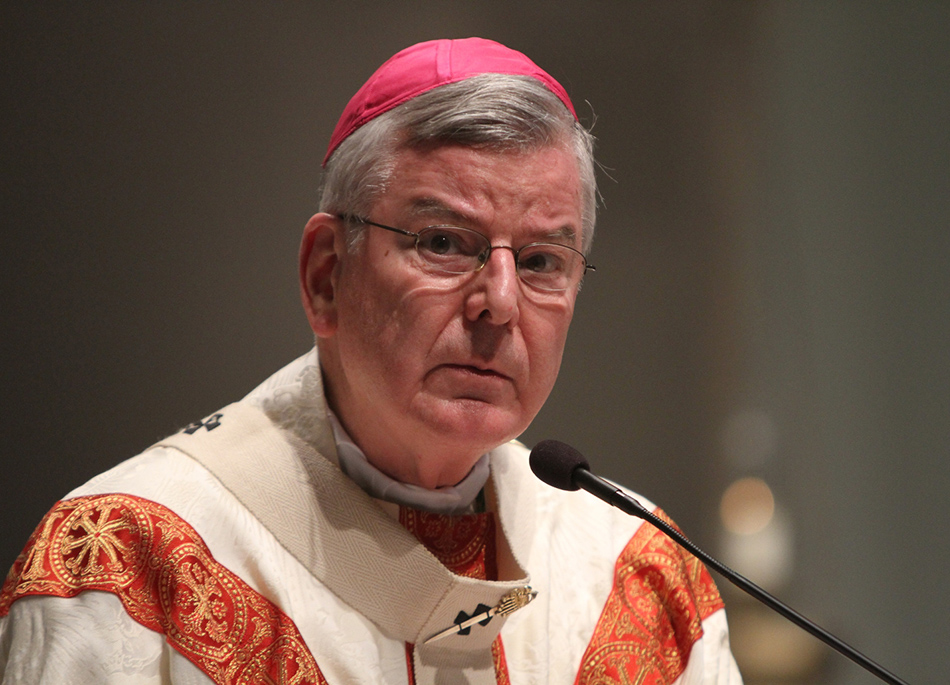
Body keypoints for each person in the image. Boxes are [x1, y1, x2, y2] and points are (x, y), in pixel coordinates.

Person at [0, 38, 741, 684]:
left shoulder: (638, 574)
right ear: (327, 274)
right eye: (444, 243)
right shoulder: (130, 558)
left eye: (544, 259)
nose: (500, 303)